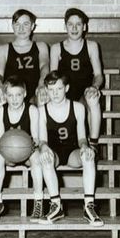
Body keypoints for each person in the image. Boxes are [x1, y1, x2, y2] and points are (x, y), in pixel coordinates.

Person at [37, 71, 102, 226]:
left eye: (59, 89)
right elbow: (42, 140)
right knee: (45, 158)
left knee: (88, 155)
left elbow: (81, 137)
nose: (55, 93)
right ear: (46, 90)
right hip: (54, 153)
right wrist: (44, 147)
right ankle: (56, 206)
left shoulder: (78, 107)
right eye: (51, 90)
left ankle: (89, 206)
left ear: (66, 88)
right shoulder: (42, 110)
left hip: (73, 152)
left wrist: (85, 146)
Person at [0, 76, 44, 223]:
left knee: (37, 158)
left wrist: (24, 147)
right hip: (9, 152)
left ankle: (38, 201)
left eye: (18, 95)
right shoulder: (0, 111)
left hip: (27, 151)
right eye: (10, 95)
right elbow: (1, 141)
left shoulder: (32, 110)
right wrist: (12, 149)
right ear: (5, 96)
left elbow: (36, 139)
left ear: (25, 94)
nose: (14, 99)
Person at [49, 8, 104, 146]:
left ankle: (93, 144)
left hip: (84, 92)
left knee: (93, 98)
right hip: (64, 93)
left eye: (78, 24)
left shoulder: (91, 46)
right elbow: (52, 78)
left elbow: (98, 75)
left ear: (84, 27)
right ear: (65, 26)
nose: (74, 28)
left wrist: (94, 87)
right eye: (70, 24)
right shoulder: (56, 48)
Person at [0, 9, 50, 107]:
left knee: (43, 96)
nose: (21, 28)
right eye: (17, 24)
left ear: (32, 26)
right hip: (12, 94)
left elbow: (44, 67)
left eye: (26, 24)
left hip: (34, 92)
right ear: (12, 27)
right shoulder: (3, 49)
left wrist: (41, 85)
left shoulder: (41, 46)